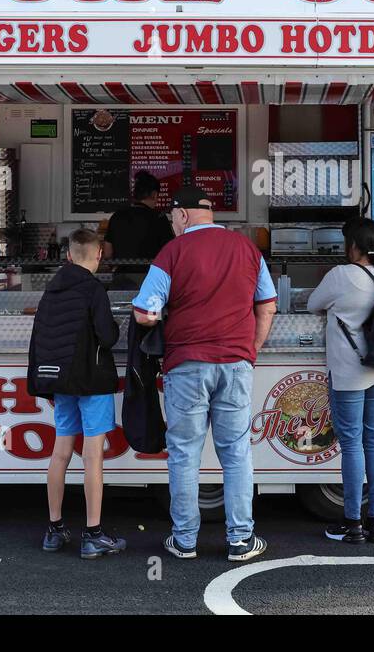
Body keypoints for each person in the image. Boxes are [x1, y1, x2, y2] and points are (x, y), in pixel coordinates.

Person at [132, 185, 277, 562]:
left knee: (184, 454)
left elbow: (144, 313)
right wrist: (251, 350)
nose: (172, 224)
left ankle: (184, 540)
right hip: (235, 364)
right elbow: (268, 306)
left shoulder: (172, 252)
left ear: (182, 215)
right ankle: (241, 540)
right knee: (237, 454)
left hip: (186, 366)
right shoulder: (247, 249)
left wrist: (157, 317)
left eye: (171, 218)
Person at [26, 228, 127, 559]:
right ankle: (93, 534)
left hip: (60, 383)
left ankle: (54, 529)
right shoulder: (94, 289)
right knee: (92, 457)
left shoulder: (50, 290)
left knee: (60, 453)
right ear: (98, 255)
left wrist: (44, 384)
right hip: (92, 383)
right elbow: (108, 337)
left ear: (68, 255)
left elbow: (39, 336)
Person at [306, 217, 374, 544]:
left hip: (349, 370)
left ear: (352, 244)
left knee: (352, 443)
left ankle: (352, 523)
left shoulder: (341, 275)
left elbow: (313, 303)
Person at [103, 171, 174, 289]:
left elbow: (107, 253)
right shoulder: (159, 219)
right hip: (153, 282)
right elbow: (170, 253)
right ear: (155, 194)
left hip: (122, 281)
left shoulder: (117, 216)